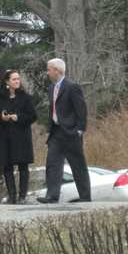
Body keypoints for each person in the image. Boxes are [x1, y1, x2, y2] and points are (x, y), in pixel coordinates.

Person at [38, 58, 92, 203]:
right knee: (52, 164)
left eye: (49, 69)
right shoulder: (51, 88)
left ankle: (85, 197)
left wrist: (80, 130)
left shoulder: (72, 87)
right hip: (56, 133)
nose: (47, 72)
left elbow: (81, 109)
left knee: (77, 165)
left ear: (57, 70)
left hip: (71, 133)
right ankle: (52, 195)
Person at [0, 70, 37, 204]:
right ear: (7, 82)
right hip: (5, 137)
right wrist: (2, 118)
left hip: (21, 136)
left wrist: (18, 117)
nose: (17, 81)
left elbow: (33, 116)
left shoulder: (25, 97)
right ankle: (12, 196)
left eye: (18, 79)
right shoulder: (0, 99)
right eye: (14, 79)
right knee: (7, 166)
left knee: (23, 166)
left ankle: (23, 196)